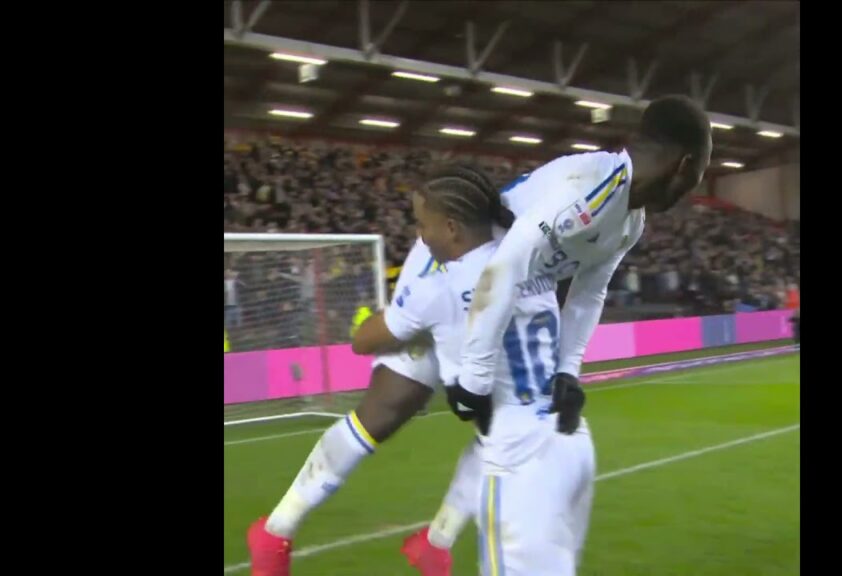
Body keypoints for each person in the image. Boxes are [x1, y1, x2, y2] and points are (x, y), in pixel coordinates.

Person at [246, 94, 712, 576]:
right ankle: (275, 532)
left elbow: (589, 295)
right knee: (389, 408)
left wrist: (569, 372)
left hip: (509, 295)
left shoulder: (629, 221)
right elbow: (504, 263)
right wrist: (474, 374)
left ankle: (435, 542)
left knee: (511, 419)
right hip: (453, 272)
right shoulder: (588, 191)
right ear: (686, 166)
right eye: (701, 174)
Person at [353, 165, 593, 575]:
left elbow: (363, 340)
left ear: (450, 228)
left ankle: (434, 543)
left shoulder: (438, 288)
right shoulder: (532, 261)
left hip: (517, 457)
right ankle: (435, 541)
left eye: (422, 225)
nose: (420, 237)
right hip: (571, 441)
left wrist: (407, 324)